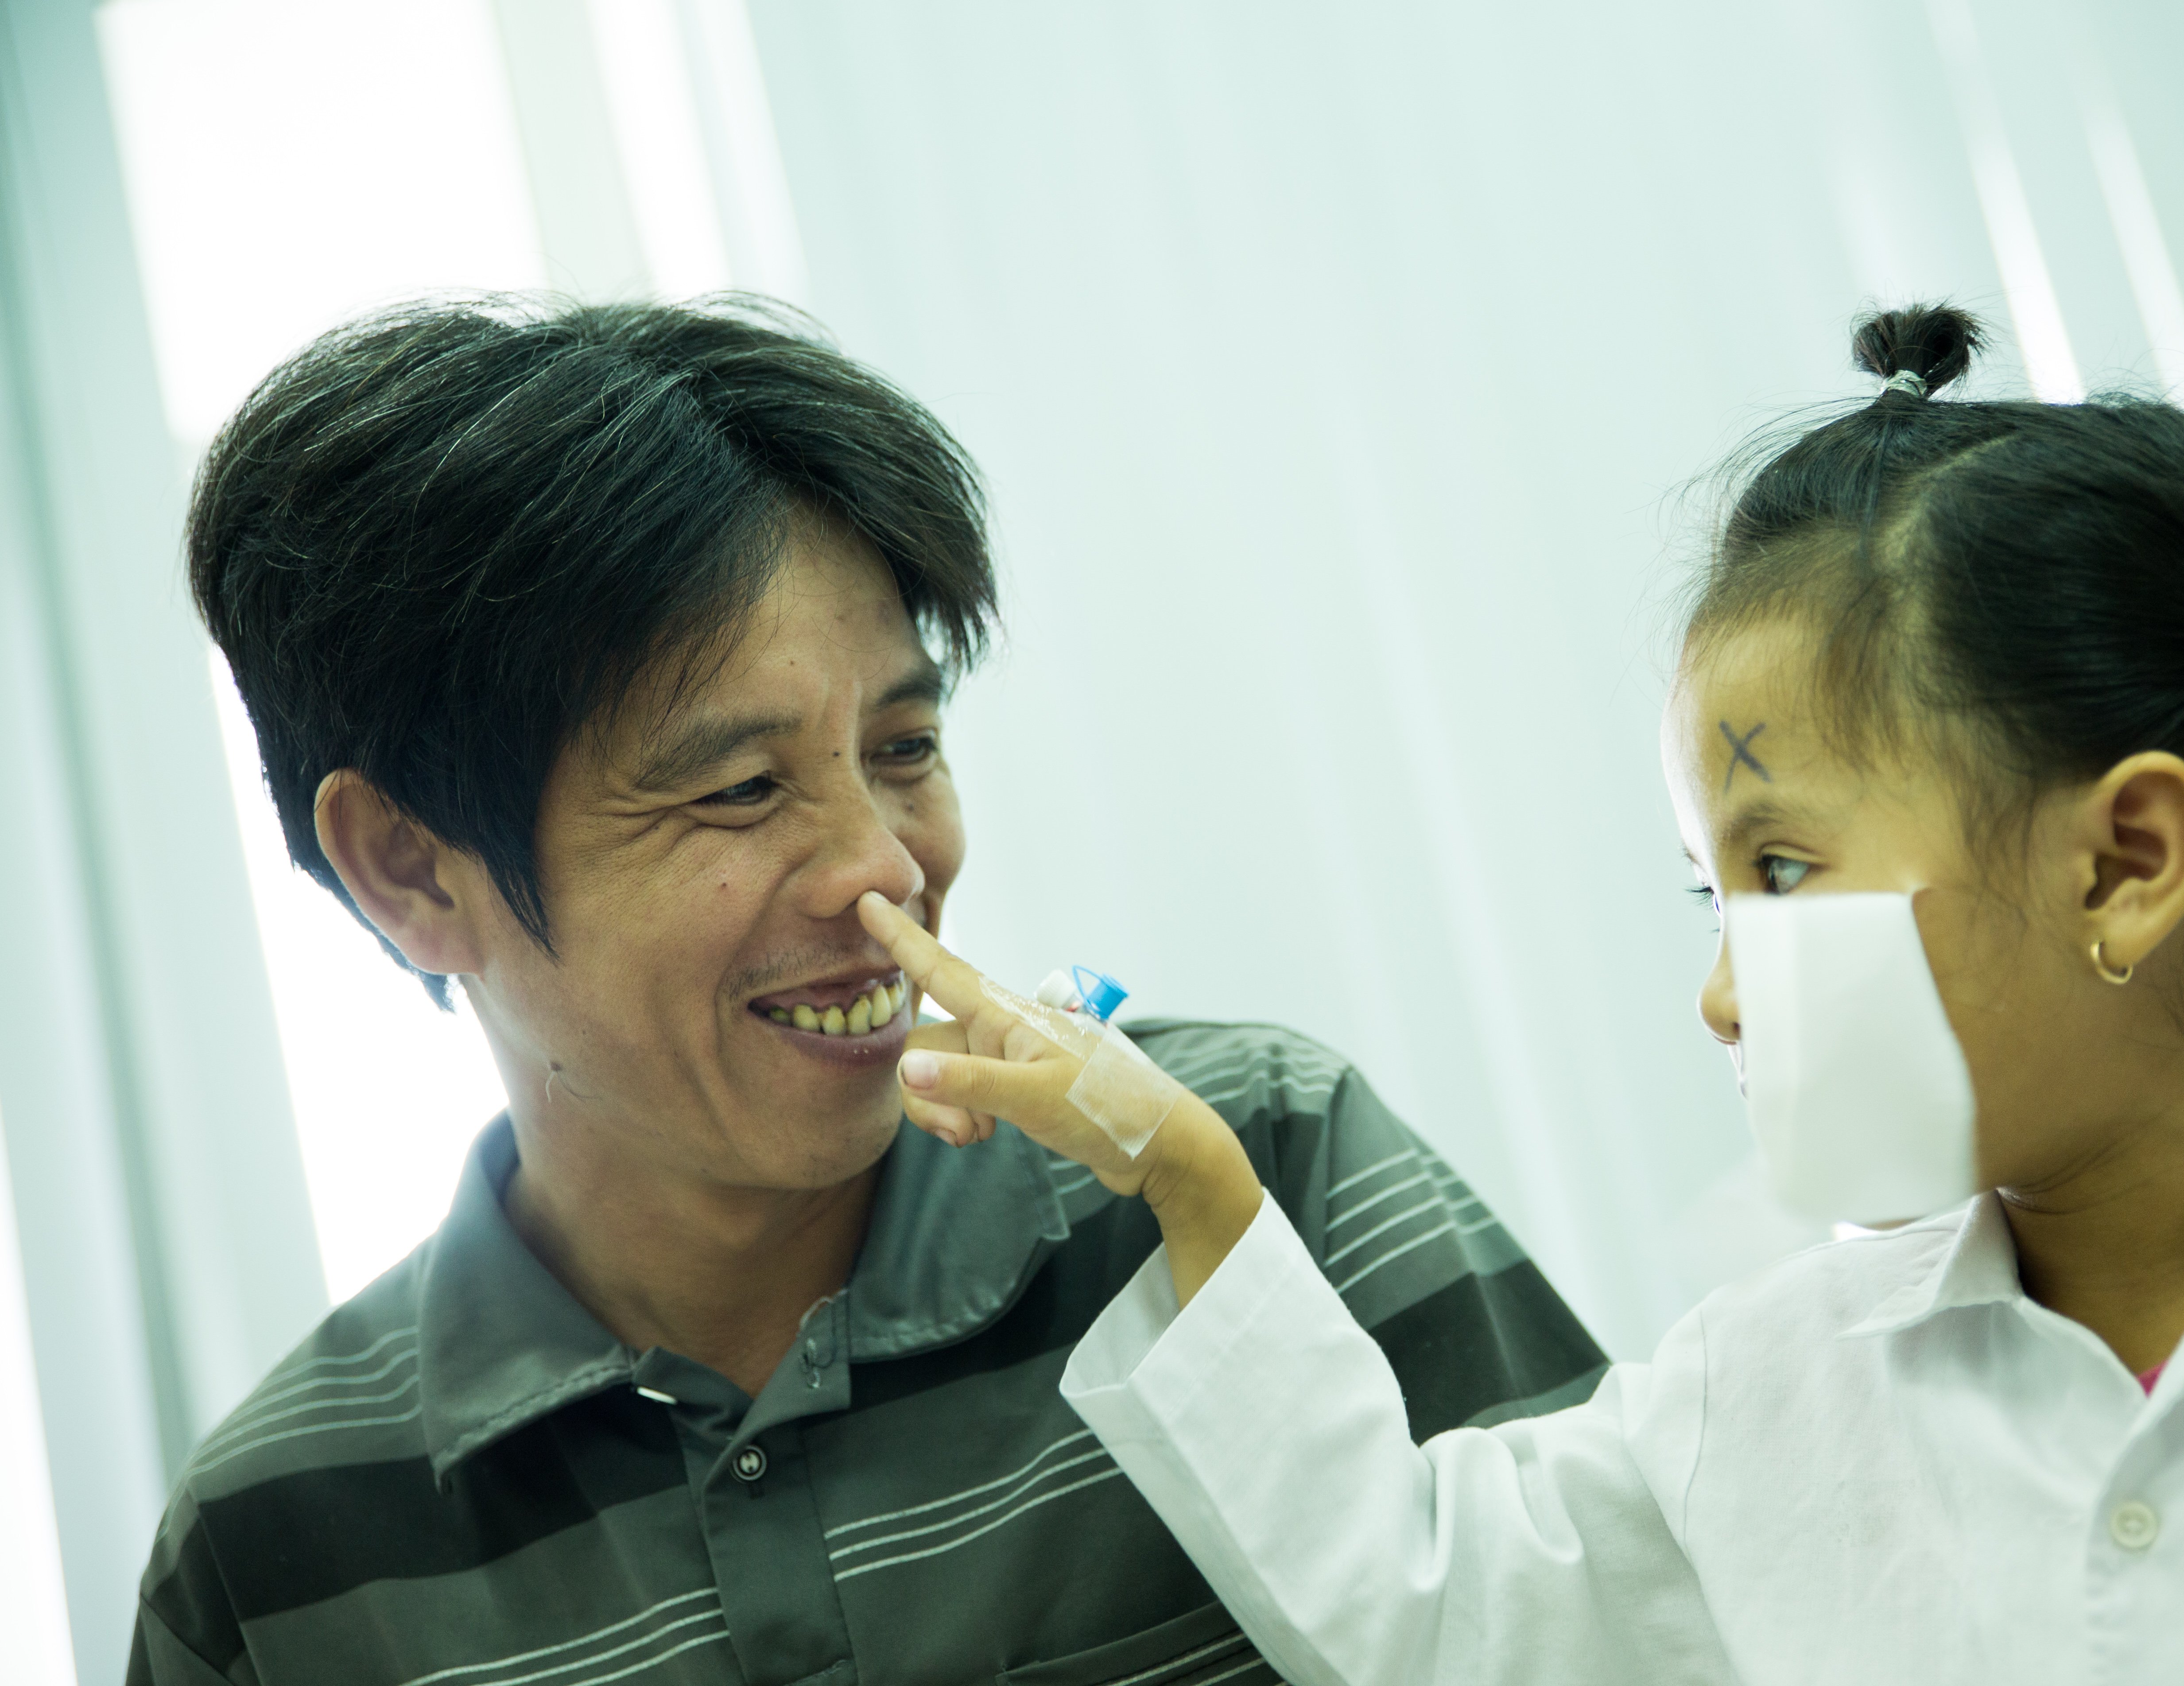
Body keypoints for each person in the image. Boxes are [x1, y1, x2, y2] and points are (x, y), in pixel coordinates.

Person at [866, 306, 2184, 1682]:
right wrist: (1195, 1181)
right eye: (1710, 893)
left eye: (1784, 877)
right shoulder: (1763, 1394)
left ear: (2124, 863)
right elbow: (1424, 1605)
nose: (1721, 1002)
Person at [133, 296, 1608, 1686]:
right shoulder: (271, 1561)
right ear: (411, 870)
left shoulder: (1252, 1168)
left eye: (903, 750)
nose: (884, 869)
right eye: (739, 786)